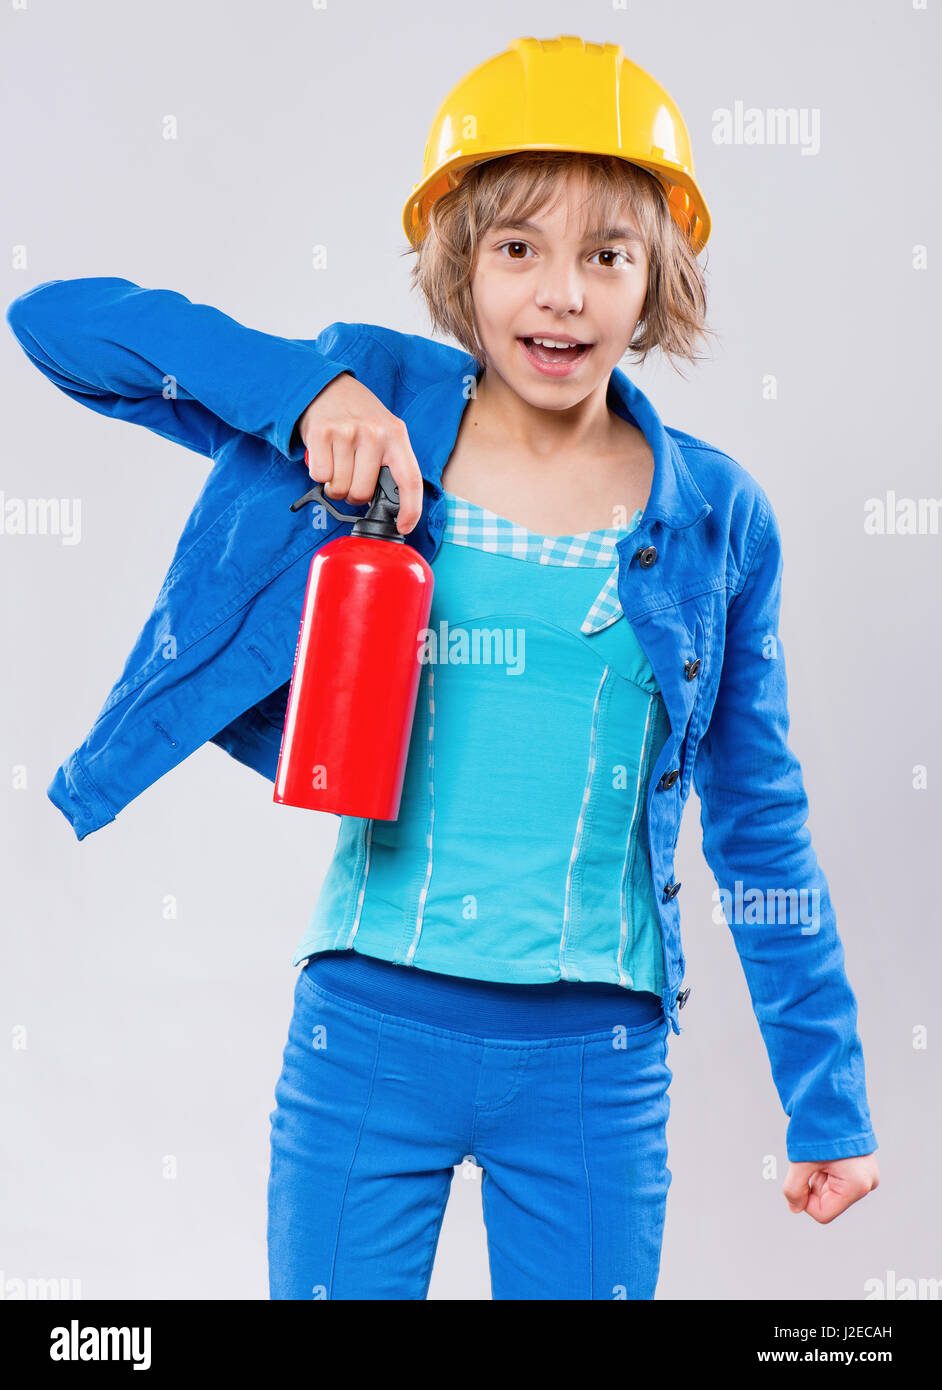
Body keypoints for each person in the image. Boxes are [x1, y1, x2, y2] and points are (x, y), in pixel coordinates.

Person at [7, 35, 879, 1300]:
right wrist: (306, 393)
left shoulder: (716, 518)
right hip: (367, 1031)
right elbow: (54, 325)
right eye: (518, 247)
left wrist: (829, 1099)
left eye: (607, 255)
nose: (561, 296)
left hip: (598, 1063)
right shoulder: (369, 421)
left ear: (659, 279)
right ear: (458, 259)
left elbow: (760, 824)